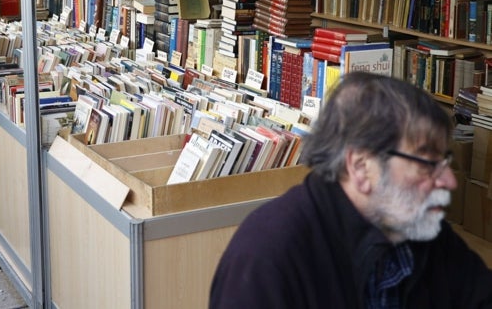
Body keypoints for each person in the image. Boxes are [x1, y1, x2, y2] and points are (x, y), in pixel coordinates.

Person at [210, 72, 492, 309]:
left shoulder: (420, 228)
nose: (449, 181)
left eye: (445, 162)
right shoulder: (267, 257)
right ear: (360, 168)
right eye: (427, 163)